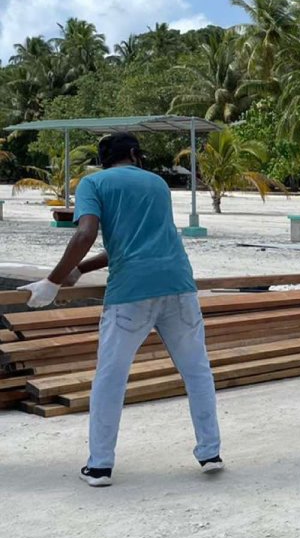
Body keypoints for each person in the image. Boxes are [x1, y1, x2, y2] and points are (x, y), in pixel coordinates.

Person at [20, 132, 223, 487]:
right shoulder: (157, 184)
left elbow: (85, 233)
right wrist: (81, 270)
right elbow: (143, 239)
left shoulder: (93, 184)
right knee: (197, 371)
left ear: (104, 160)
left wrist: (52, 281)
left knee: (111, 378)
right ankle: (210, 452)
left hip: (130, 292)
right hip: (178, 285)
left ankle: (100, 466)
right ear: (133, 153)